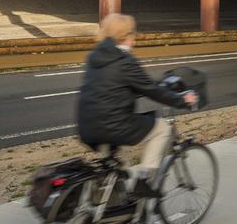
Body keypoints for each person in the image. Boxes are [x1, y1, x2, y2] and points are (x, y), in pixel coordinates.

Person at [78, 13, 197, 199]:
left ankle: (107, 210)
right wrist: (183, 100)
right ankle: (143, 181)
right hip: (113, 125)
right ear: (126, 35)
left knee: (117, 165)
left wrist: (140, 88)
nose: (135, 39)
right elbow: (152, 90)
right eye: (133, 35)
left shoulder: (94, 57)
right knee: (162, 128)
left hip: (86, 126)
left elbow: (112, 87)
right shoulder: (125, 61)